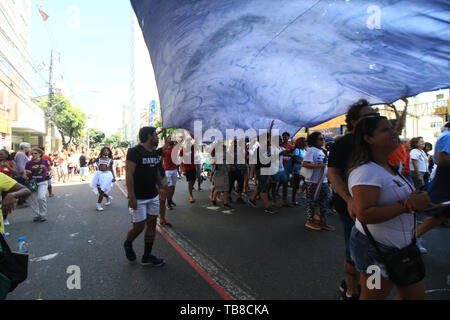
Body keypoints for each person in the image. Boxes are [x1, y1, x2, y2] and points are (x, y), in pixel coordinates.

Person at [347, 115, 431, 300]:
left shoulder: (390, 167)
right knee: (371, 298)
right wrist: (408, 204)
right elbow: (364, 214)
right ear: (368, 138)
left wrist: (419, 201)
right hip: (374, 254)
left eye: (392, 128)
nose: (393, 132)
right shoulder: (365, 172)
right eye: (386, 129)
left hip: (404, 249)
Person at [327, 99, 379, 300]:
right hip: (353, 210)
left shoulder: (379, 143)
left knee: (374, 254)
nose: (376, 119)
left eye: (377, 116)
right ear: (355, 122)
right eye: (370, 116)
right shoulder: (345, 143)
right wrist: (348, 199)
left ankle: (370, 291)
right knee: (356, 253)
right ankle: (351, 291)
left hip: (380, 210)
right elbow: (333, 173)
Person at [124, 126, 165, 267]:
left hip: (152, 196)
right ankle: (128, 243)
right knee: (139, 227)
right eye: (155, 134)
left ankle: (147, 256)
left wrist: (161, 188)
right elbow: (129, 174)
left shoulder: (154, 153)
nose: (157, 137)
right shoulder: (134, 151)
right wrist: (131, 196)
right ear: (149, 136)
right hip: (139, 197)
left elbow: (156, 172)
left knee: (152, 223)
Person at [416, 122, 450, 246]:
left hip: (444, 177)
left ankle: (413, 238)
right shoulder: (448, 136)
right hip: (446, 177)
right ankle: (413, 239)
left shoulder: (446, 135)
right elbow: (442, 159)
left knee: (441, 215)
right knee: (441, 214)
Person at [25, 148, 52, 222]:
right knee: (33, 199)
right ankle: (36, 215)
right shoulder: (28, 163)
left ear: (40, 154)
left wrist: (50, 174)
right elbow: (25, 173)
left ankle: (43, 214)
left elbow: (50, 169)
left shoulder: (45, 161)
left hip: (42, 182)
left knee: (41, 197)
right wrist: (27, 172)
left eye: (35, 153)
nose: (34, 155)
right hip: (33, 183)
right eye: (32, 154)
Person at [90, 147, 115, 211]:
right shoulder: (99, 159)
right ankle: (108, 197)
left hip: (107, 176)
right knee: (99, 191)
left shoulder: (110, 160)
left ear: (109, 152)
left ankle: (98, 205)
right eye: (105, 151)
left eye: (107, 151)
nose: (106, 152)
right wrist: (92, 160)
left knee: (102, 191)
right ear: (102, 152)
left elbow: (111, 169)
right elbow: (91, 162)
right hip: (99, 175)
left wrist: (114, 177)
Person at [211, 144, 231, 208]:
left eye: (225, 148)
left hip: (225, 173)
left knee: (226, 189)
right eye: (224, 148)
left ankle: (225, 203)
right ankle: (214, 200)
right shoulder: (217, 155)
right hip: (219, 173)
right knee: (218, 189)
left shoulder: (226, 155)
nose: (225, 149)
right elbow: (212, 163)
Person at [161, 135, 179, 210]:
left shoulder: (175, 148)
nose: (171, 139)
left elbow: (180, 141)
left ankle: (170, 200)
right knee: (169, 188)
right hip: (167, 171)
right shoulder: (164, 150)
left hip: (174, 170)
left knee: (173, 187)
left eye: (172, 138)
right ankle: (168, 202)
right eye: (169, 138)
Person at [179, 137, 198, 203]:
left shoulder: (192, 147)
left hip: (193, 167)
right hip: (187, 168)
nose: (188, 143)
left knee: (194, 180)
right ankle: (190, 196)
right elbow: (181, 161)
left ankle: (191, 190)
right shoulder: (182, 150)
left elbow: (197, 141)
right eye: (187, 141)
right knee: (190, 181)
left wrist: (192, 135)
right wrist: (182, 170)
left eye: (189, 141)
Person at [14, 142, 31, 208]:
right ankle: (20, 202)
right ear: (24, 148)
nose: (29, 149)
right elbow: (20, 165)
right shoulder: (20, 154)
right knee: (23, 188)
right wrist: (23, 173)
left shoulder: (21, 154)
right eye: (28, 147)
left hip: (23, 174)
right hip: (21, 175)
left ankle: (23, 201)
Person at [290, 138, 307, 206]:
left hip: (304, 169)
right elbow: (295, 160)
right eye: (304, 141)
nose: (306, 142)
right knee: (296, 185)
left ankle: (301, 192)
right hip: (297, 170)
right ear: (301, 142)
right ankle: (293, 200)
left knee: (307, 183)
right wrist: (303, 163)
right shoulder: (297, 150)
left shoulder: (305, 150)